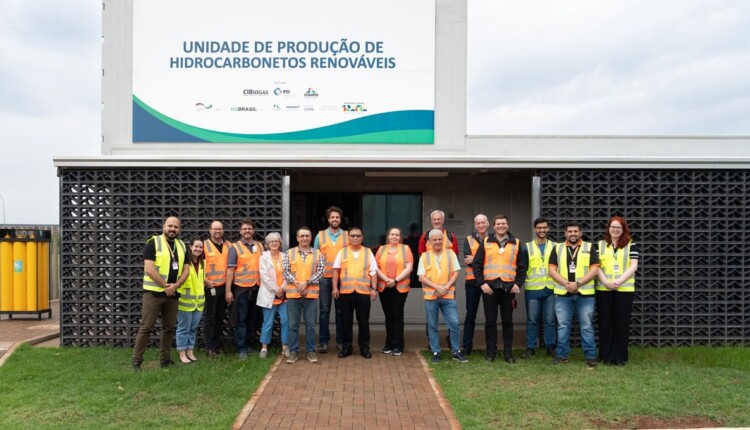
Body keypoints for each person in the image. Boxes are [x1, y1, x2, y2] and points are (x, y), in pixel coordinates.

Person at [132, 216, 190, 370]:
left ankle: (165, 359)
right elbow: (149, 269)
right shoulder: (153, 243)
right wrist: (166, 285)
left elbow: (186, 270)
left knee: (169, 328)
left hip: (172, 295)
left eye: (176, 227)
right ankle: (136, 362)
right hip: (153, 293)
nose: (172, 229)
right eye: (170, 226)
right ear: (164, 226)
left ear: (179, 229)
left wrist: (176, 286)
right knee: (146, 327)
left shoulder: (183, 246)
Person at [472, 214, 528, 363]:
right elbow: (477, 265)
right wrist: (482, 283)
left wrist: (518, 284)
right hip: (489, 288)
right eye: (498, 224)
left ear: (507, 225)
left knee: (507, 322)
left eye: (503, 224)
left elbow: (522, 267)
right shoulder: (485, 242)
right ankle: (491, 352)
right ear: (494, 226)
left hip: (508, 289)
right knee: (490, 321)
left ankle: (508, 353)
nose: (501, 226)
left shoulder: (516, 243)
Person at [548, 221, 600, 367]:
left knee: (587, 326)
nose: (573, 234)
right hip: (563, 293)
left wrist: (577, 284)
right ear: (565, 234)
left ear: (580, 233)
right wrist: (567, 284)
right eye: (570, 231)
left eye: (575, 231)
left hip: (585, 294)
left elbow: (594, 270)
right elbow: (551, 270)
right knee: (563, 325)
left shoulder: (589, 247)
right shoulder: (557, 248)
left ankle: (590, 356)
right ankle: (561, 355)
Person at [418, 229, 468, 363]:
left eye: (440, 239)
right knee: (432, 326)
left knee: (454, 323)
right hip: (431, 297)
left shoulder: (451, 254)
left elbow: (456, 272)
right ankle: (436, 352)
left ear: (443, 240)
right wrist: (438, 287)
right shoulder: (424, 256)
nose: (438, 241)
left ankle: (456, 351)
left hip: (448, 296)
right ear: (429, 241)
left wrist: (445, 287)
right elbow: (421, 277)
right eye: (434, 239)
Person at [596, 216, 639, 366]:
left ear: (623, 230)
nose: (615, 230)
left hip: (624, 289)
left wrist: (618, 281)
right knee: (605, 322)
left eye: (618, 228)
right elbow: (596, 267)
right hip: (604, 288)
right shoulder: (600, 245)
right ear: (608, 229)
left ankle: (620, 357)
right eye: (612, 227)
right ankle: (606, 356)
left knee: (622, 323)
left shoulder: (631, 245)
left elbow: (633, 266)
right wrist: (606, 282)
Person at [332, 227, 378, 358]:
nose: (355, 238)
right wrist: (335, 287)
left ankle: (364, 347)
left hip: (363, 293)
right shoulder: (342, 252)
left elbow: (373, 272)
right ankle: (346, 348)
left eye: (358, 236)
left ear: (362, 237)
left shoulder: (368, 252)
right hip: (346, 292)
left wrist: (374, 289)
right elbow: (336, 270)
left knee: (363, 321)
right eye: (353, 235)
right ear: (349, 237)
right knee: (346, 322)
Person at [283, 226, 325, 364]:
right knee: (293, 325)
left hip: (311, 295)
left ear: (310, 237)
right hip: (293, 295)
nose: (304, 238)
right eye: (302, 236)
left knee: (311, 326)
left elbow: (320, 271)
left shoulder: (318, 253)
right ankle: (294, 351)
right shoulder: (289, 253)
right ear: (297, 238)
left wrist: (306, 282)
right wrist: (297, 283)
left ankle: (310, 351)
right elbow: (285, 271)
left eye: (307, 236)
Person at [226, 219, 264, 360]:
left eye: (249, 229)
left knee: (252, 319)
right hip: (241, 289)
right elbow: (230, 269)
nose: (247, 231)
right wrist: (228, 290)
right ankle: (241, 348)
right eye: (244, 229)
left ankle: (248, 345)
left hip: (256, 288)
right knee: (240, 319)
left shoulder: (260, 246)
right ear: (240, 231)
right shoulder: (234, 248)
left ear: (253, 231)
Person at [522, 218, 557, 359]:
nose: (542, 230)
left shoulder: (556, 246)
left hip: (550, 288)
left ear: (548, 229)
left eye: (544, 227)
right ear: (535, 229)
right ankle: (531, 348)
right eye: (539, 228)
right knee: (532, 320)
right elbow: (523, 269)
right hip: (533, 290)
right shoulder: (527, 247)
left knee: (550, 320)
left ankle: (550, 347)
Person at [314, 206, 348, 354]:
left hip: (342, 278)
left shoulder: (347, 236)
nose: (335, 219)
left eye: (337, 217)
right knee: (324, 310)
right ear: (328, 219)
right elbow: (314, 257)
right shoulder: (319, 236)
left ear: (341, 219)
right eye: (332, 217)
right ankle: (323, 342)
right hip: (324, 278)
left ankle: (341, 341)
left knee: (341, 311)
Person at [375, 227, 414, 356]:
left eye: (397, 235)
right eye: (392, 234)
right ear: (388, 236)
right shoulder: (381, 249)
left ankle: (398, 345)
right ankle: (389, 344)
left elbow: (409, 267)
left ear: (400, 237)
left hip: (400, 287)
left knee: (397, 315)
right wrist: (386, 279)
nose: (394, 237)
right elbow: (375, 267)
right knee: (388, 316)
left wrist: (395, 280)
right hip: (384, 286)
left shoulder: (406, 249)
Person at [257, 232, 290, 359]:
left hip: (283, 296)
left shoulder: (285, 256)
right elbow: (264, 277)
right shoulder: (263, 257)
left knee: (285, 321)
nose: (274, 243)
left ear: (280, 243)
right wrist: (276, 289)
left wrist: (282, 289)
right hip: (269, 295)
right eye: (272, 242)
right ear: (267, 245)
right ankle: (264, 347)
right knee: (268, 322)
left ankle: (285, 346)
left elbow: (289, 274)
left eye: (277, 241)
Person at [461, 214, 490, 355]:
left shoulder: (493, 239)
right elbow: (468, 260)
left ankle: (490, 348)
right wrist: (484, 259)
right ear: (475, 224)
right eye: (478, 223)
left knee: (490, 316)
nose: (481, 225)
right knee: (470, 316)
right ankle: (467, 348)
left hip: (489, 282)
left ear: (488, 224)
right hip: (472, 283)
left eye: (483, 222)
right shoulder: (468, 240)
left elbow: (495, 259)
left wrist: (476, 259)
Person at [176, 238, 206, 364]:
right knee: (183, 329)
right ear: (190, 247)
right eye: (196, 247)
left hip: (198, 303)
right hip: (184, 303)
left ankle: (190, 351)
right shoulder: (183, 262)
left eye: (200, 247)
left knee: (193, 329)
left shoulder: (202, 262)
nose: (198, 249)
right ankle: (182, 353)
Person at [203, 220, 229, 358]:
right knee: (209, 318)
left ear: (223, 230)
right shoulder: (204, 246)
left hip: (224, 287)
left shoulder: (228, 245)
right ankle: (210, 347)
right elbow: (198, 266)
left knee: (220, 317)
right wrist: (205, 281)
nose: (217, 231)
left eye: (220, 229)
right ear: (210, 230)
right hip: (210, 287)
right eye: (215, 229)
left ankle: (217, 345)